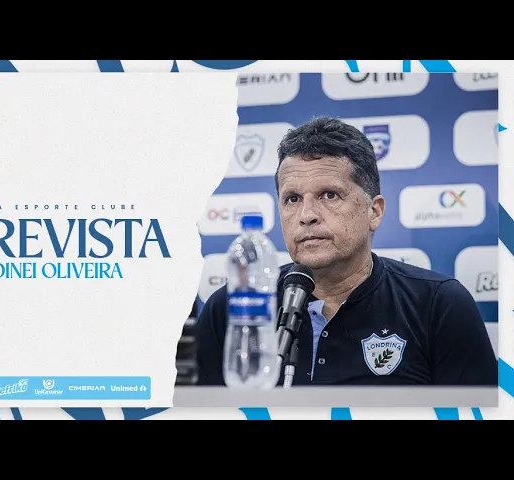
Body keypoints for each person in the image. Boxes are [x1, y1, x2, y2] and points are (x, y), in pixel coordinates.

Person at [195, 116, 498, 386]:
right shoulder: (233, 309)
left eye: (329, 195)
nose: (307, 215)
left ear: (374, 212)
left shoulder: (439, 305)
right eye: (292, 199)